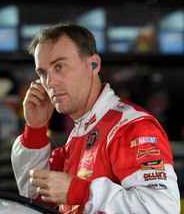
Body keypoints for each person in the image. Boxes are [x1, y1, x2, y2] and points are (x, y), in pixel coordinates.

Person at [11, 23, 180, 213]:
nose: (49, 82)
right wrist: (35, 128)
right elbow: (35, 198)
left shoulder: (130, 127)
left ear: (94, 64)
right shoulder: (81, 131)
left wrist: (80, 191)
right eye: (42, 73)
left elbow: (162, 208)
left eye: (59, 66)